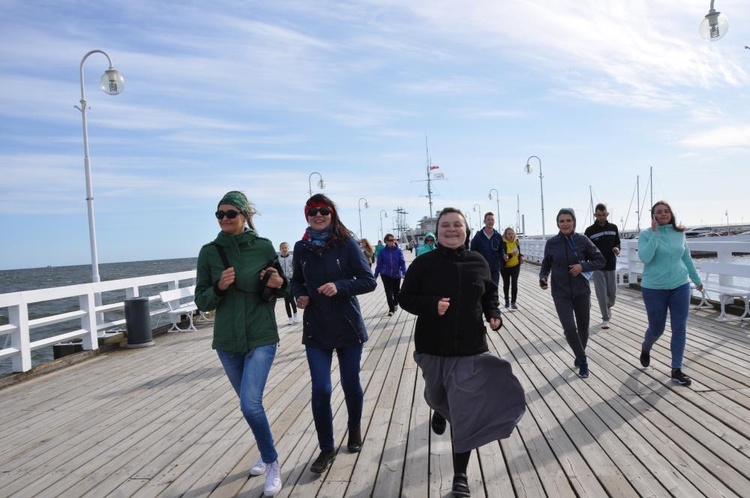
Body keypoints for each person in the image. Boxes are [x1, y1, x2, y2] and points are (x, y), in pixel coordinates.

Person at [399, 207, 526, 498]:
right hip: (432, 347)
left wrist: (494, 313)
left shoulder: (478, 261)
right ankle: (438, 408)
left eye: (457, 225)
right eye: (446, 225)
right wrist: (431, 305)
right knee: (436, 396)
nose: (451, 229)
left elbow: (489, 292)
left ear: (467, 230)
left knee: (464, 411)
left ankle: (460, 477)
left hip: (470, 348)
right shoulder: (424, 263)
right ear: (439, 231)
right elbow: (405, 297)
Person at [195, 191, 286, 497]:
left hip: (261, 335)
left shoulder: (263, 247)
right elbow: (201, 298)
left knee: (250, 403)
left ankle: (272, 463)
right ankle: (266, 451)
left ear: (245, 215)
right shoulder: (209, 252)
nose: (224, 219)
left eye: (230, 214)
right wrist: (219, 287)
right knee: (251, 408)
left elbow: (282, 286)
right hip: (227, 341)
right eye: (219, 214)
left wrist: (280, 284)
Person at [291, 194, 377, 473]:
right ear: (307, 215)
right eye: (312, 211)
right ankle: (326, 448)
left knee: (350, 383)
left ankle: (354, 429)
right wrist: (299, 295)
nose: (318, 215)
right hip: (316, 327)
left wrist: (340, 285)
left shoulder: (346, 244)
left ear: (331, 213)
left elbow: (368, 281)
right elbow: (297, 282)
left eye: (323, 210)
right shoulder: (301, 248)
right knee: (321, 389)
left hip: (347, 325)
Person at [638, 201, 703, 387]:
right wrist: (656, 236)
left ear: (671, 214)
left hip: (680, 285)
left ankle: (676, 370)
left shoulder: (680, 233)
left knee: (679, 327)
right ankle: (646, 346)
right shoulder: (646, 234)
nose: (663, 214)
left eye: (666, 211)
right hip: (653, 288)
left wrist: (696, 280)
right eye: (659, 212)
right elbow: (645, 257)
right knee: (657, 328)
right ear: (654, 216)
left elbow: (686, 258)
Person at [539, 208, 605, 379]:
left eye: (568, 220)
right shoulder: (552, 243)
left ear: (574, 222)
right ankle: (583, 360)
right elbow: (546, 265)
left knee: (583, 329)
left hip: (581, 290)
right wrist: (543, 278)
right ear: (558, 224)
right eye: (562, 221)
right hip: (560, 292)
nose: (565, 224)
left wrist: (582, 266)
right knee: (569, 328)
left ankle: (578, 352)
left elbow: (600, 260)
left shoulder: (582, 240)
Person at [584, 203, 621, 329]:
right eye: (599, 215)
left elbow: (617, 242)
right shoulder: (589, 231)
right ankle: (605, 318)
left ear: (607, 214)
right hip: (597, 266)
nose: (601, 217)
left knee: (612, 295)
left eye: (603, 215)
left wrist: (617, 248)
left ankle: (608, 307)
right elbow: (585, 248)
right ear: (595, 215)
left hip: (611, 264)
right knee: (601, 294)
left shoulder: (613, 227)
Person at [374, 233, 407, 316]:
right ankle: (391, 309)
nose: (393, 241)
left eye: (393, 240)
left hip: (396, 275)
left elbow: (402, 262)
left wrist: (404, 272)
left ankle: (395, 302)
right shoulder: (382, 252)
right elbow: (379, 264)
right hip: (386, 275)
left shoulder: (398, 251)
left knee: (396, 292)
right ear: (386, 241)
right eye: (390, 240)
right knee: (388, 293)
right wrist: (375, 275)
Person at [469, 212, 503, 285]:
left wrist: (504, 258)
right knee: (483, 291)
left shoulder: (498, 236)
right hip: (482, 268)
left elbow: (501, 251)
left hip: (495, 269)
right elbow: (473, 252)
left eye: (492, 220)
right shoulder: (478, 237)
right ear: (484, 221)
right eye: (488, 220)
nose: (490, 222)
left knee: (494, 289)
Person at [500, 227, 525, 309]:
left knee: (514, 282)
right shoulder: (503, 243)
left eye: (512, 233)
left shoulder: (516, 241)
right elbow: (504, 256)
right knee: (506, 284)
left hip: (515, 266)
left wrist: (521, 256)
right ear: (505, 235)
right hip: (505, 267)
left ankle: (513, 302)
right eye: (509, 234)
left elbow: (519, 252)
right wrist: (511, 255)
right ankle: (507, 300)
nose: (511, 235)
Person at [277, 242, 298, 325]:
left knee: (291, 299)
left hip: (291, 280)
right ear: (280, 249)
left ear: (288, 248)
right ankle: (289, 318)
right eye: (282, 248)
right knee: (286, 300)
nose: (284, 249)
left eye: (285, 247)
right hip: (283, 281)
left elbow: (295, 268)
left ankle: (295, 315)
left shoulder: (292, 258)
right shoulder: (278, 259)